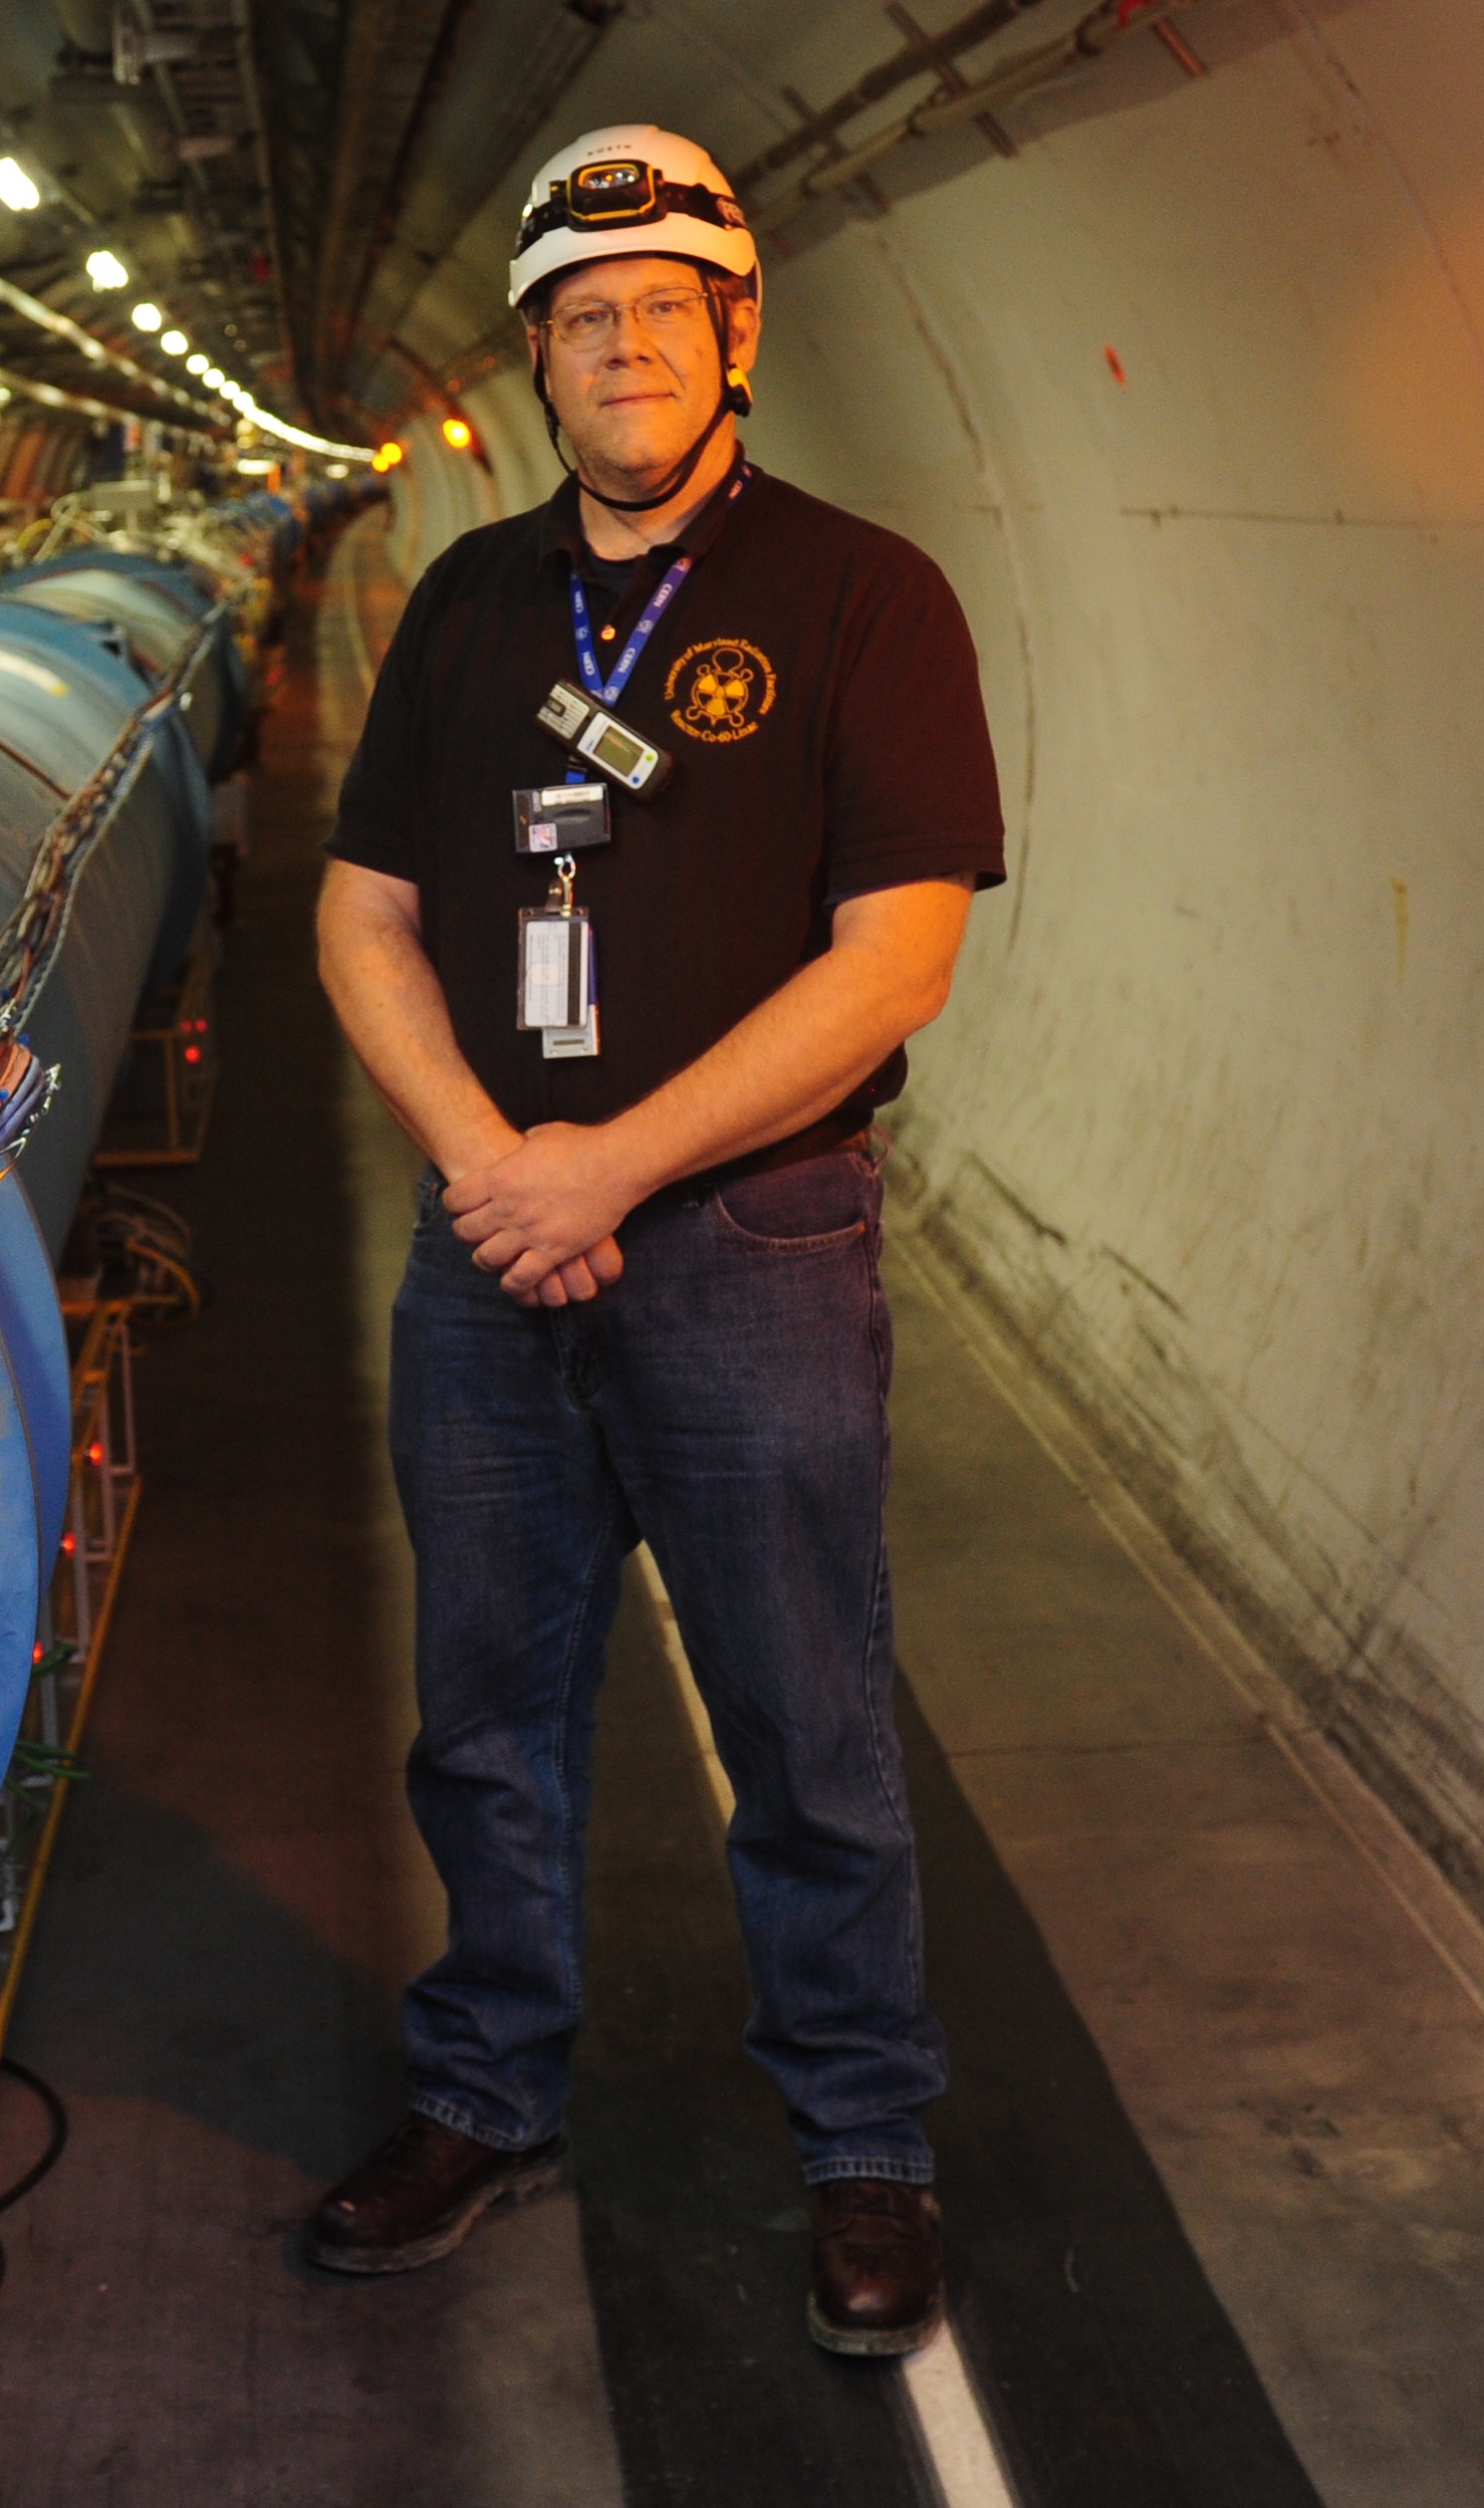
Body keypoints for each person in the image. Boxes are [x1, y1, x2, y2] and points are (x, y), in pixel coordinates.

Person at [306, 123, 1006, 2356]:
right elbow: (363, 909)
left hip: (751, 1249)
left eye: (659, 313)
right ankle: (486, 2096)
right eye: (581, 321)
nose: (622, 350)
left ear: (737, 334)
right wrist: (493, 1165)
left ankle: (864, 2144)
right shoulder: (476, 601)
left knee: (806, 1724)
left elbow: (892, 960)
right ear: (534, 359)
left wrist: (608, 1170)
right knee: (484, 1722)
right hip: (494, 1260)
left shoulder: (858, 594)